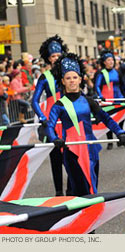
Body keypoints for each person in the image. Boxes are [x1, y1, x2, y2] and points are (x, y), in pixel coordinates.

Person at [46, 53, 125, 196]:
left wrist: (120, 132)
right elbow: (50, 126)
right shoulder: (59, 105)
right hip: (72, 151)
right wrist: (54, 138)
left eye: (74, 77)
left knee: (93, 189)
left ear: (80, 79)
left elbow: (106, 118)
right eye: (68, 78)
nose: (72, 81)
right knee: (81, 191)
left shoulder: (89, 101)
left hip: (91, 150)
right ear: (63, 81)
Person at [31, 35, 68, 196]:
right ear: (48, 58)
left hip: (68, 117)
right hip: (52, 121)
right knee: (55, 157)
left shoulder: (69, 73)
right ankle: (59, 192)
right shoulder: (44, 77)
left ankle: (73, 188)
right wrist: (43, 118)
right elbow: (34, 101)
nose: (56, 58)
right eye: (53, 56)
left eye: (58, 55)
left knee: (71, 154)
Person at [95, 50, 125, 150]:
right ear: (104, 62)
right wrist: (100, 95)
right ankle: (110, 141)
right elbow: (97, 86)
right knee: (109, 119)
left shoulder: (117, 72)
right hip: (107, 100)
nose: (111, 61)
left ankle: (120, 139)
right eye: (109, 60)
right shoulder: (101, 73)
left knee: (120, 119)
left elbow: (122, 85)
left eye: (112, 59)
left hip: (118, 98)